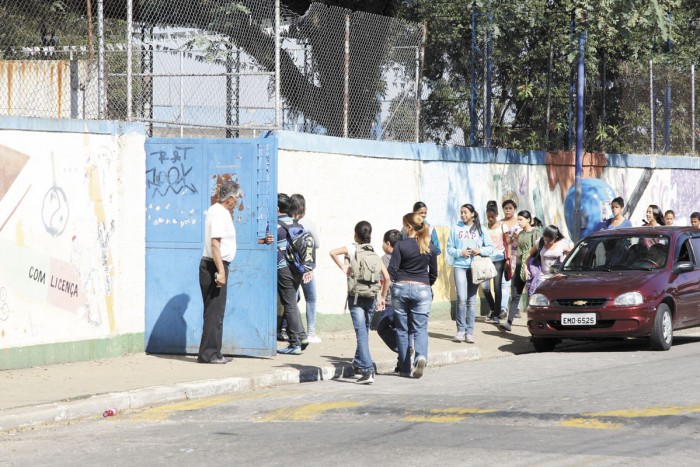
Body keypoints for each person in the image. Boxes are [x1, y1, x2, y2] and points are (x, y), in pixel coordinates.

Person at [330, 221, 390, 384]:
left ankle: (367, 370)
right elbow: (387, 278)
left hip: (356, 297)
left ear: (355, 234)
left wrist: (343, 266)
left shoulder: (351, 248)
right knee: (364, 332)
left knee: (361, 333)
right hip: (371, 296)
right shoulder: (374, 252)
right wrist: (382, 297)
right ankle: (358, 363)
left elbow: (332, 252)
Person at [389, 213, 438, 378]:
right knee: (420, 328)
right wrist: (425, 284)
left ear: (408, 226)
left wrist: (398, 282)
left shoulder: (400, 245)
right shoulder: (429, 246)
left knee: (402, 330)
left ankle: (404, 369)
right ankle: (421, 356)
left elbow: (392, 270)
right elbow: (434, 273)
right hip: (422, 288)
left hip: (401, 287)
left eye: (403, 225)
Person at [198, 180, 241, 364]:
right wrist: (221, 272)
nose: (238, 201)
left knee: (216, 312)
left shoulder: (222, 212)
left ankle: (213, 352)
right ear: (230, 198)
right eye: (237, 198)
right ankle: (209, 354)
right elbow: (215, 244)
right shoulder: (217, 212)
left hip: (217, 265)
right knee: (214, 312)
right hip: (214, 266)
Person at [446, 204, 494, 344]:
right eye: (461, 212)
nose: (462, 215)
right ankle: (460, 331)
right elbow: (449, 248)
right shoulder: (456, 228)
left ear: (473, 214)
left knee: (471, 301)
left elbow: (490, 248)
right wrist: (460, 252)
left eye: (465, 212)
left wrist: (479, 250)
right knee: (461, 298)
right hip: (459, 266)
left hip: (476, 268)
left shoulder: (481, 229)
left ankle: (469, 332)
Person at [276, 194, 310, 355]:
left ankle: (294, 342)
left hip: (283, 269)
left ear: (276, 208)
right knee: (291, 302)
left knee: (288, 303)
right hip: (297, 268)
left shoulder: (276, 225)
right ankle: (302, 336)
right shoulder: (295, 224)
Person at [499, 210, 542, 332]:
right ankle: (509, 322)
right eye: (518, 220)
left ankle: (535, 324)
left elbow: (538, 249)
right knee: (515, 293)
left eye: (521, 219)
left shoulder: (536, 232)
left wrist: (529, 264)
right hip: (519, 265)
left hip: (531, 266)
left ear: (528, 220)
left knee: (532, 295)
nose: (519, 222)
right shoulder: (521, 233)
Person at [290, 193, 322, 343]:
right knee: (311, 298)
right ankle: (310, 333)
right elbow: (317, 244)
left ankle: (292, 330)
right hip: (306, 267)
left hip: (291, 266)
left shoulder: (288, 222)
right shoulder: (307, 222)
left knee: (292, 298)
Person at [376, 229, 401, 364]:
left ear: (387, 243)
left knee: (382, 328)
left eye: (383, 242)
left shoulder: (383, 260)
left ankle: (401, 349)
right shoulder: (404, 257)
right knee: (402, 330)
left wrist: (381, 297)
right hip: (405, 301)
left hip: (390, 301)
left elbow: (383, 281)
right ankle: (403, 362)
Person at [483, 201, 510, 324]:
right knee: (485, 288)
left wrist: (508, 259)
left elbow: (508, 242)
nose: (490, 219)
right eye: (488, 216)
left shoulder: (503, 226)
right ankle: (494, 308)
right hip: (486, 259)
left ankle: (496, 315)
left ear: (497, 215)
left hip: (499, 258)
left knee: (497, 287)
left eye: (492, 216)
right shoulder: (484, 227)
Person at [525, 225, 573, 295]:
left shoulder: (562, 243)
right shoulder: (539, 242)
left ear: (555, 238)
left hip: (558, 277)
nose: (546, 243)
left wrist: (568, 253)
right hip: (542, 277)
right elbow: (529, 254)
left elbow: (571, 258)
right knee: (538, 297)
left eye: (549, 241)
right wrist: (525, 268)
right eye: (545, 240)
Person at [500, 199, 519, 319]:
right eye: (505, 208)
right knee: (505, 282)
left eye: (510, 208)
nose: (507, 210)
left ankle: (516, 307)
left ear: (514, 209)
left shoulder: (519, 222)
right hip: (505, 255)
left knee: (516, 282)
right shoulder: (500, 223)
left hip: (517, 255)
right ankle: (503, 308)